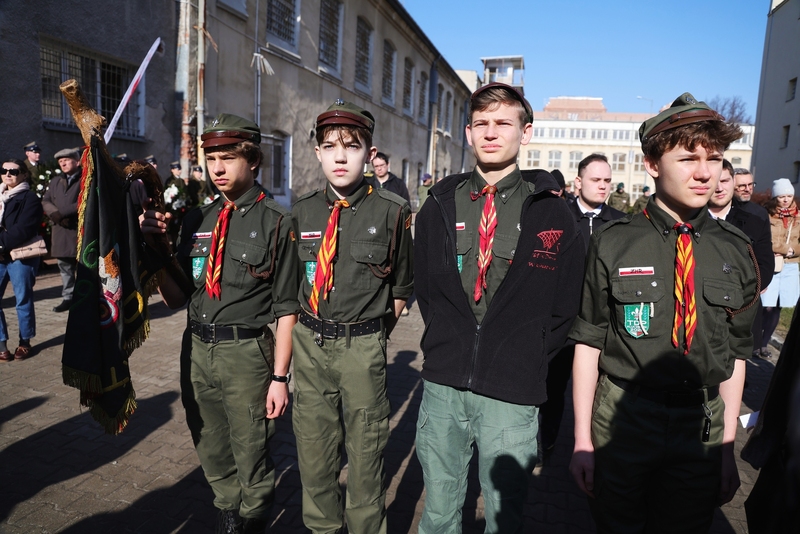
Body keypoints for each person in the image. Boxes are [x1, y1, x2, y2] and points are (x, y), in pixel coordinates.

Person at [568, 92, 759, 533]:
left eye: (714, 158)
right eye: (688, 158)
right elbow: (589, 342)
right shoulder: (614, 241)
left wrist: (726, 448)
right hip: (624, 417)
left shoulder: (736, 250)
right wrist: (581, 439)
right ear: (652, 164)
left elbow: (736, 354)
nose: (705, 172)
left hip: (700, 423)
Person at [414, 82, 584, 533]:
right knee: (438, 513)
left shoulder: (552, 213)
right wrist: (449, 340)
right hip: (444, 384)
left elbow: (565, 306)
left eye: (503, 123)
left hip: (513, 391)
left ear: (525, 132)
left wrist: (525, 352)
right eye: (481, 123)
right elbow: (427, 291)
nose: (491, 133)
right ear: (468, 132)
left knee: (504, 517)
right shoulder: (438, 205)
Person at [139, 113, 300, 534]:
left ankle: (253, 517)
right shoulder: (197, 219)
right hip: (196, 349)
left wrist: (280, 378)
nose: (218, 168)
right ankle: (228, 512)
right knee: (208, 440)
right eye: (211, 159)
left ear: (253, 160)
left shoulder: (277, 221)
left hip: (245, 353)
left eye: (228, 158)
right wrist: (154, 248)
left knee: (251, 447)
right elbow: (177, 298)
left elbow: (287, 310)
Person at [290, 99, 413, 534]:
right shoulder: (302, 211)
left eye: (352, 147)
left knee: (366, 452)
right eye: (330, 147)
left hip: (362, 346)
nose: (340, 157)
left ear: (370, 153)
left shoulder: (392, 211)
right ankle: (322, 528)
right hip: (310, 345)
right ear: (317, 152)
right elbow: (294, 288)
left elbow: (402, 287)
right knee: (314, 450)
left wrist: (371, 334)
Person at [539, 153, 625, 457]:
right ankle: (545, 443)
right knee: (552, 386)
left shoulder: (620, 223)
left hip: (603, 326)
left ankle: (596, 448)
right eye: (596, 180)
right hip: (563, 322)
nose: (603, 186)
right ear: (578, 182)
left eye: (607, 181)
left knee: (602, 390)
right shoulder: (559, 216)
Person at [708, 159, 775, 358]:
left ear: (732, 181)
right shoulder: (688, 219)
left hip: (741, 310)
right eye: (714, 182)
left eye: (725, 181)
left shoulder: (755, 219)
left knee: (736, 363)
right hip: (700, 313)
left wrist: (747, 292)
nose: (719, 188)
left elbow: (765, 264)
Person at [0, 159, 43, 362]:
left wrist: (1, 244)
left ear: (24, 174)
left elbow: (24, 229)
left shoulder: (30, 198)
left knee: (22, 299)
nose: (8, 174)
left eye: (14, 171)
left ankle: (25, 342)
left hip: (20, 255)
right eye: (4, 170)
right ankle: (2, 344)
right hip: (0, 255)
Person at [759, 178, 800, 359]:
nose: (785, 199)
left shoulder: (798, 217)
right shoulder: (766, 215)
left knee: (778, 307)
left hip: (790, 266)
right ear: (775, 197)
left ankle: (764, 344)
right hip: (772, 263)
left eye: (789, 196)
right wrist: (784, 249)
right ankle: (755, 341)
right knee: (765, 305)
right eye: (782, 196)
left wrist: (793, 251)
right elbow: (764, 240)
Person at [42, 148, 82, 313]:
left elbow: (85, 200)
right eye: (60, 161)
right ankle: (68, 297)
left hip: (78, 230)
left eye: (66, 160)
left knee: (84, 268)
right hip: (60, 230)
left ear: (77, 161)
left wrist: (63, 212)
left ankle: (85, 298)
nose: (63, 163)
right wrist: (56, 215)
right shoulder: (56, 181)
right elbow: (45, 200)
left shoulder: (86, 179)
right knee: (65, 267)